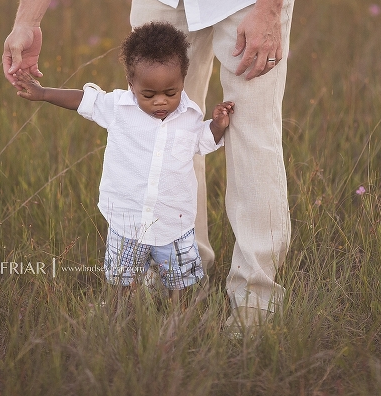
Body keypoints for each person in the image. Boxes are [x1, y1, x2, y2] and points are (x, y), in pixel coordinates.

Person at [2, 0, 318, 332]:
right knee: (154, 123)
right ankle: (182, 268)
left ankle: (255, 298)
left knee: (249, 126)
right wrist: (27, 20)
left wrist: (268, 11)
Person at [15, 22, 234, 302]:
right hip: (126, 219)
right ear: (131, 84)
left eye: (171, 93)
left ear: (183, 79)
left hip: (173, 223)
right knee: (121, 281)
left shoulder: (190, 116)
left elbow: (204, 141)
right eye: (148, 94)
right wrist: (44, 93)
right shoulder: (119, 108)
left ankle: (179, 327)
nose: (160, 103)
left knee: (180, 285)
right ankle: (121, 320)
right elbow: (85, 100)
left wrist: (217, 125)